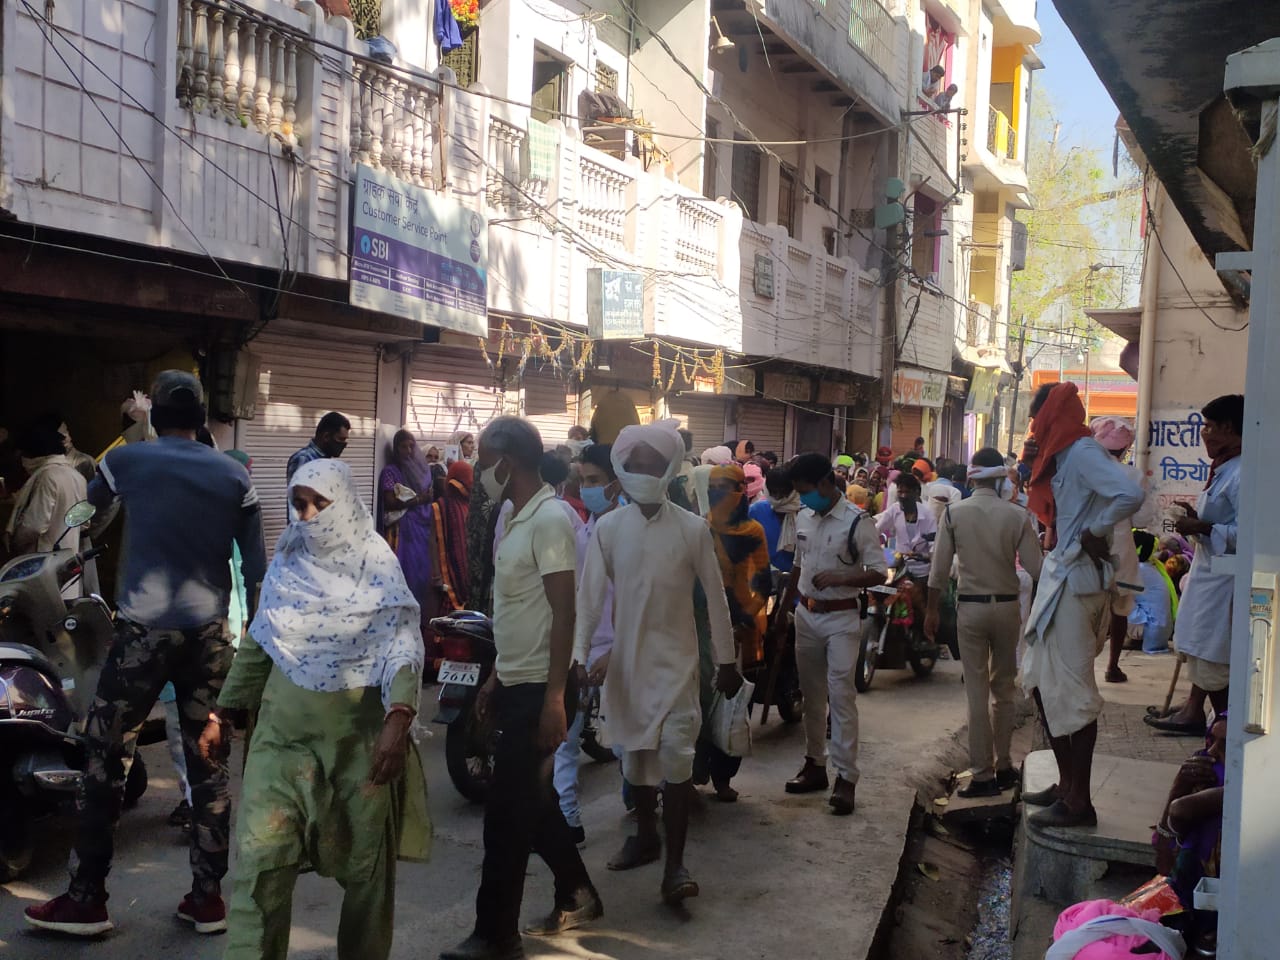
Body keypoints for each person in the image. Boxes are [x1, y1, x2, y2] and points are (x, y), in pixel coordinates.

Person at [25, 370, 268, 937]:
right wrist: (253, 645)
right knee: (210, 768)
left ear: (156, 415)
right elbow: (257, 571)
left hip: (140, 636)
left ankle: (87, 900)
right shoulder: (236, 476)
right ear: (203, 417)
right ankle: (208, 900)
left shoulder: (130, 462)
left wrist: (130, 439)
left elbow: (90, 511)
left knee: (103, 759)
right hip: (211, 639)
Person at [216, 460, 430, 959]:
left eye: (320, 504)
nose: (308, 515)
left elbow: (401, 644)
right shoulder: (288, 561)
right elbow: (261, 641)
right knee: (258, 871)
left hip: (356, 747)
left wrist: (399, 717)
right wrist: (222, 712)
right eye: (299, 503)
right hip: (280, 744)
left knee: (366, 877)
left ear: (347, 504)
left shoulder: (377, 566)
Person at [442, 417, 600, 960]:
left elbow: (563, 613)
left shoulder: (551, 519)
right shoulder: (517, 517)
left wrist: (556, 697)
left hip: (542, 689)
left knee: (507, 817)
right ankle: (577, 892)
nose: (483, 468)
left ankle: (496, 936)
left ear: (507, 462)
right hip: (518, 678)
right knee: (532, 801)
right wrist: (494, 676)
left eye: (487, 458)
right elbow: (516, 612)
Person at [574, 420, 742, 904]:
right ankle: (646, 836)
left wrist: (727, 661)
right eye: (636, 465)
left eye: (653, 465)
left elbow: (715, 599)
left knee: (676, 760)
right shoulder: (608, 528)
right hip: (628, 667)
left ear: (670, 469)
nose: (644, 472)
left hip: (679, 666)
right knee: (636, 762)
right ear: (623, 468)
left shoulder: (692, 529)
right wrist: (578, 657)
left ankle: (676, 865)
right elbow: (588, 601)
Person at [1018, 382, 1144, 828]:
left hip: (1076, 582)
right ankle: (1066, 784)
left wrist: (1095, 529)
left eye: (1038, 418)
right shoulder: (1065, 457)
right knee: (1039, 682)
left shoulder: (1084, 453)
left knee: (1072, 693)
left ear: (1052, 416)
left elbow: (1130, 495)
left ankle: (1079, 801)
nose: (1034, 428)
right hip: (1060, 577)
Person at [924, 448, 1043, 797]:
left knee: (976, 694)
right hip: (1007, 608)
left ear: (972, 478)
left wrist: (931, 611)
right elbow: (1037, 570)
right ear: (1001, 478)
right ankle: (1005, 765)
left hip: (971, 609)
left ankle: (982, 775)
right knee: (1003, 690)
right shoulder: (1017, 515)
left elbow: (939, 569)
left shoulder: (955, 513)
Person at [774, 454, 887, 815]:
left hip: (841, 619)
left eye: (806, 491)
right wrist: (783, 611)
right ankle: (815, 765)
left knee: (841, 696)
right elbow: (797, 564)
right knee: (811, 695)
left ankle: (846, 778)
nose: (804, 498)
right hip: (806, 615)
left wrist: (842, 578)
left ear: (825, 484)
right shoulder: (803, 516)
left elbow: (879, 573)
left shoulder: (858, 522)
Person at [1146, 395, 1244, 735]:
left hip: (1223, 582)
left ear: (1229, 429)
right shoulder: (1225, 469)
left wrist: (1203, 528)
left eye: (1209, 427)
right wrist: (1195, 520)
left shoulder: (1242, 473)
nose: (1204, 434)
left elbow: (1253, 532)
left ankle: (1223, 732)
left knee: (1213, 656)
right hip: (1207, 574)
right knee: (1199, 649)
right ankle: (1198, 714)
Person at [554, 443, 621, 845]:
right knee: (565, 736)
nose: (587, 488)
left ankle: (646, 804)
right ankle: (567, 821)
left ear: (616, 483)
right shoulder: (585, 528)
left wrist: (616, 652)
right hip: (584, 646)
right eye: (584, 480)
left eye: (595, 481)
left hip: (622, 648)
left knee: (630, 742)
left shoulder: (630, 531)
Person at [695, 463, 772, 802]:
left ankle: (724, 778)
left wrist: (745, 618)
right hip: (702, 628)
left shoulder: (753, 530)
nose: (720, 494)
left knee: (733, 706)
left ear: (742, 492)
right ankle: (693, 773)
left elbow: (763, 582)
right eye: (715, 487)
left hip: (742, 628)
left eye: (728, 487)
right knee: (697, 704)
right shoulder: (699, 527)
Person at [1089, 415, 1157, 683]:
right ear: (1125, 448)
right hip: (1121, 548)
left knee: (1087, 608)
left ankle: (1085, 667)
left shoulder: (1087, 471)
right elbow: (1141, 520)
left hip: (1088, 546)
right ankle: (1112, 666)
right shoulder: (1133, 475)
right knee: (1120, 609)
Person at [380, 430, 440, 654]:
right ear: (395, 449)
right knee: (404, 578)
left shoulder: (420, 471)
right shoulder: (391, 472)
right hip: (402, 533)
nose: (408, 451)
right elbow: (389, 501)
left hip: (420, 532)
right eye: (403, 447)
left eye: (411, 446)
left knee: (420, 580)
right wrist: (418, 499)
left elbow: (430, 497)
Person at [5, 420, 88, 557]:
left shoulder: (47, 476)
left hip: (42, 559)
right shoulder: (77, 476)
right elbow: (84, 523)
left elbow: (34, 526)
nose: (23, 462)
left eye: (24, 454)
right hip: (67, 555)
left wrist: (15, 542)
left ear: (35, 452)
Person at [433, 460, 473, 611]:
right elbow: (433, 542)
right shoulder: (440, 507)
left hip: (468, 572)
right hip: (447, 575)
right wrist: (436, 575)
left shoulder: (472, 505)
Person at [750, 466, 800, 576]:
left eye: (783, 492)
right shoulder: (756, 511)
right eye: (773, 492)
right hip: (763, 577)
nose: (778, 497)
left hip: (797, 579)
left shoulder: (804, 512)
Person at [286, 411, 350, 486]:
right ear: (326, 436)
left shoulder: (326, 460)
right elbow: (300, 494)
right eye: (341, 439)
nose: (344, 444)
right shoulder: (304, 459)